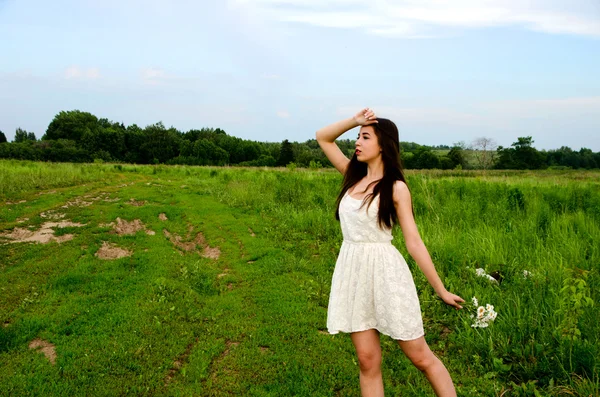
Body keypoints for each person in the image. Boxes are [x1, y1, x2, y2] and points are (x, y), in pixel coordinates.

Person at [315, 108, 465, 397]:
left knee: (420, 356)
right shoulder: (351, 176)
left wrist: (441, 289)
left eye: (365, 137)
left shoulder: (396, 188)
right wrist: (354, 121)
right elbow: (323, 137)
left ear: (383, 145)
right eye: (357, 137)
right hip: (354, 273)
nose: (357, 142)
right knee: (367, 360)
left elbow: (414, 242)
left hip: (386, 274)